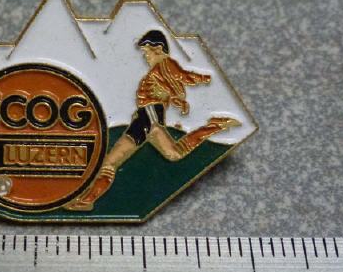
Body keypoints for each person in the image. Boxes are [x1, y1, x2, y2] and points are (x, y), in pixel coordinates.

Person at [65, 30, 241, 211]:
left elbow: (184, 77)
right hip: (148, 119)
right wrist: (176, 100)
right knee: (172, 154)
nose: (145, 56)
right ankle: (215, 125)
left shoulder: (165, 64)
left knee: (112, 162)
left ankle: (87, 201)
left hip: (148, 119)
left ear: (158, 49)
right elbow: (163, 90)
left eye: (147, 52)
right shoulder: (160, 70)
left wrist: (206, 78)